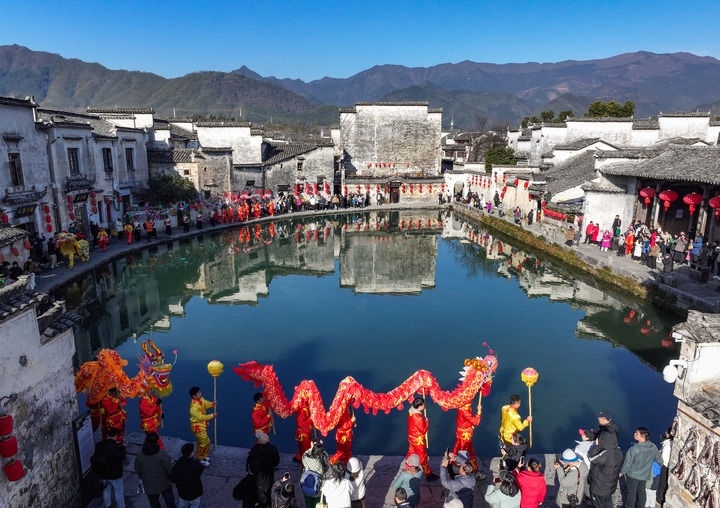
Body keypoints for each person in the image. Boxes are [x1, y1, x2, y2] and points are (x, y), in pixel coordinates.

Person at [587, 411, 623, 508]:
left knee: (598, 504)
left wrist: (595, 446)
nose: (598, 419)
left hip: (599, 486)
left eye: (600, 418)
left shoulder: (603, 455)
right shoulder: (618, 452)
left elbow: (591, 457)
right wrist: (597, 435)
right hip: (610, 485)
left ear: (604, 420)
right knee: (608, 502)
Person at [620, 427, 661, 508]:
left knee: (631, 494)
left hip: (633, 476)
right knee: (642, 492)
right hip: (645, 474)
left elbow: (627, 463)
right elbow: (659, 461)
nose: (634, 434)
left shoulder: (634, 449)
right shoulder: (653, 447)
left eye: (637, 433)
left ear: (642, 436)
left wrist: (622, 472)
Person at [134, 432, 176, 508]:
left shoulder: (140, 455)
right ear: (156, 441)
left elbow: (137, 468)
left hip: (148, 483)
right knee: (169, 499)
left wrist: (142, 476)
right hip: (163, 482)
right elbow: (169, 468)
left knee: (154, 502)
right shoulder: (162, 453)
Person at [91, 427, 126, 508]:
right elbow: (122, 457)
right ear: (116, 436)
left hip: (103, 474)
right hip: (115, 475)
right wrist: (123, 448)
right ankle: (121, 506)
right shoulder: (116, 447)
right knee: (119, 491)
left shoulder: (99, 445)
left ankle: (108, 505)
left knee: (106, 491)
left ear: (108, 434)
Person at [406, 396, 437, 480]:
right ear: (419, 406)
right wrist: (426, 422)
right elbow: (423, 430)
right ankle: (428, 474)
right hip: (418, 440)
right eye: (423, 404)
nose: (424, 406)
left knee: (411, 452)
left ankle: (408, 466)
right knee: (423, 456)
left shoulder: (411, 411)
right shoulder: (418, 417)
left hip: (411, 437)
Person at [248, 430, 280, 508]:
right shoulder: (273, 448)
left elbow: (249, 461)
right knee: (269, 490)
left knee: (259, 492)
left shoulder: (255, 449)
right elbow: (276, 461)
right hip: (269, 474)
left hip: (258, 475)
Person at [188, 386, 216, 466]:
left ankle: (202, 456)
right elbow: (200, 417)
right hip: (197, 427)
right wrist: (212, 416)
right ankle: (200, 458)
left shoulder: (201, 399)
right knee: (205, 442)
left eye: (200, 392)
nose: (201, 393)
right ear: (194, 396)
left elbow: (206, 404)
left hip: (202, 424)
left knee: (201, 442)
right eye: (198, 393)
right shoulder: (193, 408)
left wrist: (212, 404)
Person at [172, 442, 205, 508]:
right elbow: (200, 471)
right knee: (195, 505)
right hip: (194, 493)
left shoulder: (177, 465)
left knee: (182, 504)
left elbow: (173, 478)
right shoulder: (196, 465)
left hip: (182, 492)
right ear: (192, 453)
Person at [452, 401, 481, 472]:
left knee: (457, 448)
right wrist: (479, 411)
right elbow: (475, 422)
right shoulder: (465, 411)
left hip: (461, 433)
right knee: (466, 451)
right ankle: (468, 469)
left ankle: (453, 464)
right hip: (465, 435)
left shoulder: (461, 407)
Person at [301, 440, 330, 508]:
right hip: (318, 490)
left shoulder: (307, 459)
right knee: (318, 504)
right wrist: (321, 447)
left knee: (309, 504)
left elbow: (304, 455)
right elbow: (327, 459)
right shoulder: (322, 460)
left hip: (307, 487)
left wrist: (311, 448)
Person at [654, 427, 673, 507]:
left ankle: (659, 499)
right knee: (663, 482)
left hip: (664, 466)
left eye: (667, 432)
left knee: (662, 482)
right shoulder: (670, 443)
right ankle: (660, 497)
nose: (665, 433)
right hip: (666, 465)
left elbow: (663, 458)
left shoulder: (667, 445)